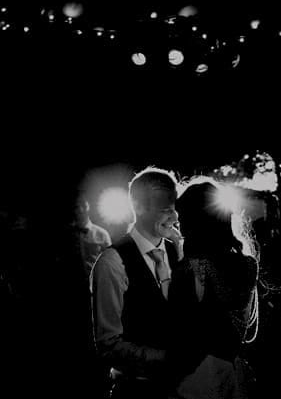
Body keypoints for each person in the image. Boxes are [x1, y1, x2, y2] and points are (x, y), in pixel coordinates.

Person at [90, 167, 185, 399]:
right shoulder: (112, 262)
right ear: (139, 207)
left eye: (175, 209)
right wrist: (169, 358)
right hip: (137, 390)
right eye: (165, 210)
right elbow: (109, 345)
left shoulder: (179, 252)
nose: (175, 218)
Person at [168, 178, 259, 399]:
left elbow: (177, 331)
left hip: (196, 379)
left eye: (182, 219)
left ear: (195, 222)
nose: (178, 226)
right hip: (235, 373)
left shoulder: (191, 270)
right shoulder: (248, 264)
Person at [73, 193, 113, 277]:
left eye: (84, 205)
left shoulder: (102, 234)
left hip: (96, 281)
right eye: (77, 206)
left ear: (89, 207)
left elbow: (110, 262)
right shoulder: (67, 234)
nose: (80, 210)